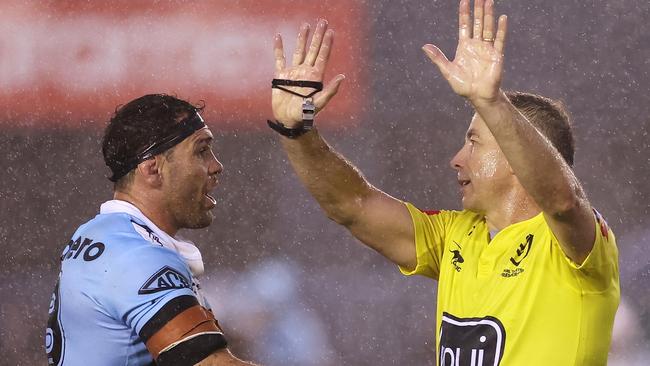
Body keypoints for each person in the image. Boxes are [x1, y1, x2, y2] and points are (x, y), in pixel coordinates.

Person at [268, 0, 620, 365]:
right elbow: (353, 206)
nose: (457, 159)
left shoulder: (576, 245)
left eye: (474, 142)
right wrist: (297, 132)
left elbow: (563, 200)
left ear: (516, 158)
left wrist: (492, 103)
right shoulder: (455, 235)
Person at [45, 94, 259, 365]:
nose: (216, 166)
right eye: (201, 150)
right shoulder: (133, 255)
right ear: (152, 169)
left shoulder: (101, 235)